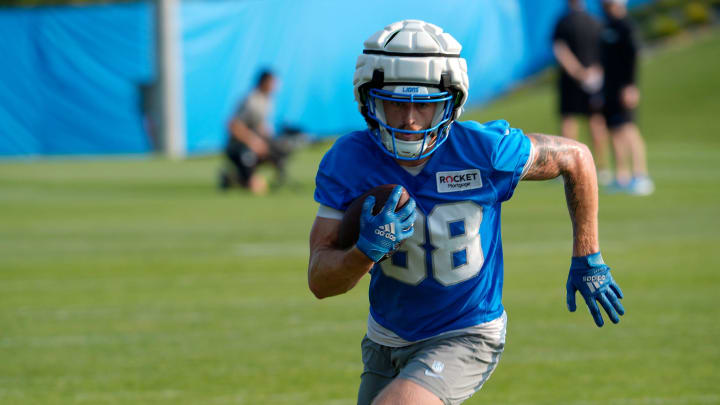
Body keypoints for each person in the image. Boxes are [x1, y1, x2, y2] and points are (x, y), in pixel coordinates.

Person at [307, 20, 625, 405]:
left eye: (424, 105)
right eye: (394, 102)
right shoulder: (349, 160)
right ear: (368, 99)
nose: (409, 119)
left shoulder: (484, 150)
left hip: (466, 332)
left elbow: (576, 157)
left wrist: (587, 255)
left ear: (451, 102)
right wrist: (364, 252)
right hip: (386, 335)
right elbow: (321, 282)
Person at [552, 0, 612, 185]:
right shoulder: (596, 21)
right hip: (593, 80)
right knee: (596, 121)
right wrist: (594, 73)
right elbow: (605, 51)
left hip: (571, 80)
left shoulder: (563, 22)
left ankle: (567, 169)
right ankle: (601, 168)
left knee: (569, 121)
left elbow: (560, 50)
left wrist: (577, 72)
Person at [601, 0, 655, 195]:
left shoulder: (626, 27)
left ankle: (641, 176)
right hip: (608, 88)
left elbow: (632, 58)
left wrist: (630, 86)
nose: (606, 8)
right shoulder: (606, 26)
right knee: (614, 130)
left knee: (628, 128)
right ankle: (621, 177)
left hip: (624, 88)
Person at [221, 69, 295, 194]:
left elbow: (260, 126)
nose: (276, 86)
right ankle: (243, 178)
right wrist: (253, 141)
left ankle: (238, 178)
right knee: (255, 184)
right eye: (273, 82)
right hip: (239, 146)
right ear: (264, 82)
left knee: (280, 149)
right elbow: (233, 125)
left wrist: (268, 141)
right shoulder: (251, 100)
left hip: (254, 142)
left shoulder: (267, 100)